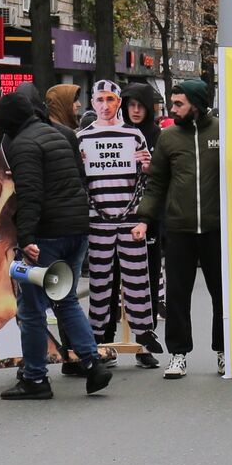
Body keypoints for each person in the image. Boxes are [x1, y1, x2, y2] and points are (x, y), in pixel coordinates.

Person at [0, 90, 112, 399]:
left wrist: (27, 239)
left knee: (31, 309)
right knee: (66, 299)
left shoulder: (23, 144)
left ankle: (34, 379)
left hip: (47, 236)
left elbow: (30, 194)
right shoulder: (58, 134)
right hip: (76, 230)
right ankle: (92, 362)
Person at [131, 79, 223, 379]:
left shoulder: (222, 131)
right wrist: (143, 219)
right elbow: (156, 184)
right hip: (179, 229)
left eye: (178, 104)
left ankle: (223, 353)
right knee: (177, 295)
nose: (172, 109)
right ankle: (179, 355)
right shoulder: (169, 138)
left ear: (195, 104)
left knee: (221, 294)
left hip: (216, 229)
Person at [80, 80, 159, 368]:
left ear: (117, 102)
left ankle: (143, 337)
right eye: (100, 99)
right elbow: (80, 180)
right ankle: (98, 340)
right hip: (98, 220)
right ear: (92, 103)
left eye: (110, 99)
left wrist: (148, 166)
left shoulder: (134, 135)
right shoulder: (82, 138)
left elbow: (147, 179)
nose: (105, 105)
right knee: (101, 280)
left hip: (129, 218)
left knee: (137, 278)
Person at [123, 82, 166, 341]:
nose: (136, 111)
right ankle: (108, 342)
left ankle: (146, 337)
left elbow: (167, 175)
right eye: (131, 105)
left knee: (148, 273)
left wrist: (153, 168)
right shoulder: (117, 134)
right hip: (117, 212)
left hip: (150, 214)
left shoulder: (159, 136)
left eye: (141, 106)